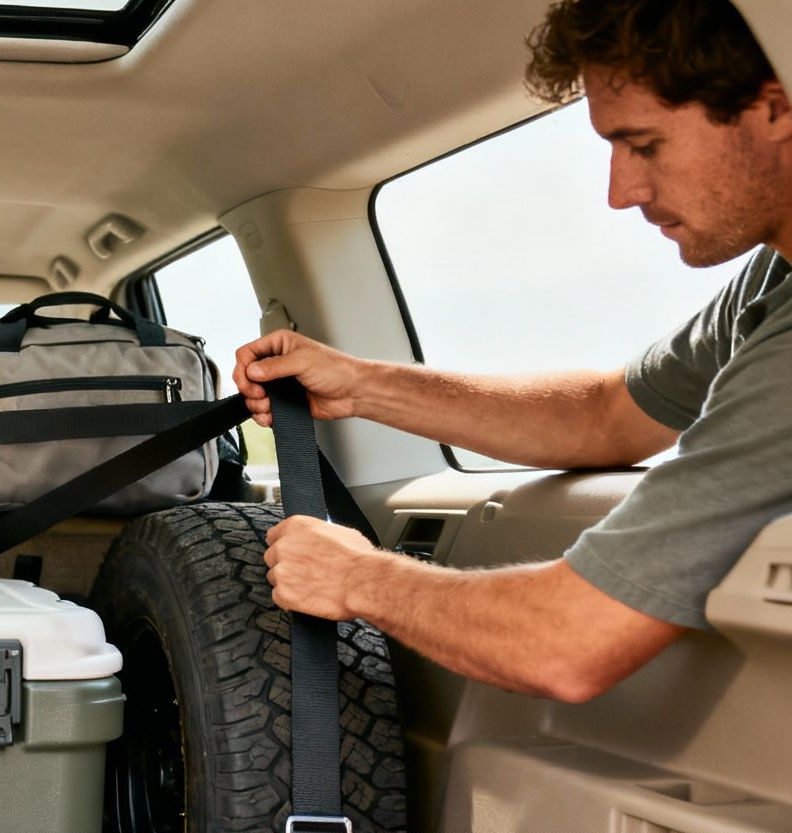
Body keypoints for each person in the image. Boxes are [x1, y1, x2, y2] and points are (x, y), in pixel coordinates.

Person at [233, 0, 792, 703]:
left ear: (775, 107)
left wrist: (356, 576)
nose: (622, 192)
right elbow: (604, 417)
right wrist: (358, 385)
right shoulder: (773, 281)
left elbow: (572, 642)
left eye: (644, 145)